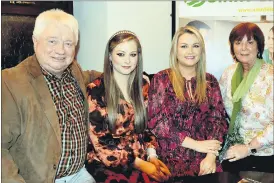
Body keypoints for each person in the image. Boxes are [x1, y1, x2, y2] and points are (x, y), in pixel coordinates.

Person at [2, 9, 101, 183]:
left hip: (79, 174)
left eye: (68, 43)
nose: (61, 50)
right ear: (35, 41)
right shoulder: (10, 82)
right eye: (52, 41)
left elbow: (91, 74)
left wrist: (129, 74)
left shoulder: (74, 71)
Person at [85, 30, 171, 182]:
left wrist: (152, 155)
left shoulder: (143, 86)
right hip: (108, 164)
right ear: (110, 57)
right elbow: (101, 144)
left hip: (142, 159)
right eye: (121, 54)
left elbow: (147, 128)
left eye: (132, 55)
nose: (127, 61)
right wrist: (140, 164)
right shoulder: (96, 90)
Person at [147, 26, 228, 178]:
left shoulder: (210, 81)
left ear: (201, 51)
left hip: (205, 159)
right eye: (184, 46)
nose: (190, 51)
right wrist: (197, 145)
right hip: (171, 159)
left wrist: (211, 156)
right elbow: (158, 123)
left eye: (195, 46)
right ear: (175, 50)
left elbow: (219, 122)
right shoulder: (161, 79)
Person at [219, 22, 274, 173]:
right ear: (232, 47)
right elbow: (219, 112)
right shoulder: (228, 73)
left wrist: (249, 148)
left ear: (259, 46)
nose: (243, 48)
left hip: (265, 155)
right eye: (238, 42)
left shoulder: (270, 76)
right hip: (232, 152)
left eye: (250, 42)